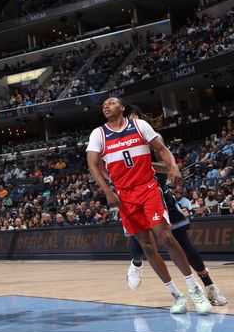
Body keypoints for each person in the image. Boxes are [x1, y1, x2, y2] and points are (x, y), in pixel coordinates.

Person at [86, 97, 212, 315]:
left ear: (122, 108)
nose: (106, 106)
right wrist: (108, 190)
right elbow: (92, 164)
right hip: (125, 196)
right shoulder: (98, 134)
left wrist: (173, 166)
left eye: (111, 103)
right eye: (104, 104)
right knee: (147, 246)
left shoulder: (139, 126)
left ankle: (194, 289)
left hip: (147, 189)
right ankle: (175, 294)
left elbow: (162, 149)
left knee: (165, 236)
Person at [122, 106, 227, 306]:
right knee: (141, 246)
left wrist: (149, 165)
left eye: (132, 117)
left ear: (137, 118)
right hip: (136, 197)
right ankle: (136, 264)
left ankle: (210, 287)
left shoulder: (150, 137)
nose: (129, 121)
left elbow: (166, 166)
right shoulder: (119, 144)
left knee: (184, 243)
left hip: (159, 194)